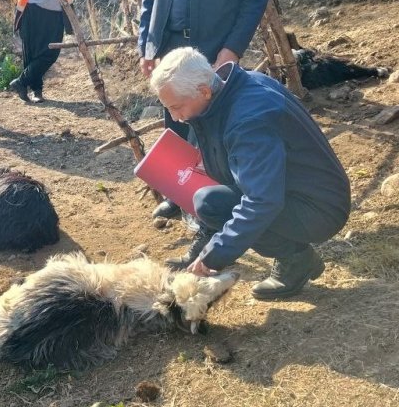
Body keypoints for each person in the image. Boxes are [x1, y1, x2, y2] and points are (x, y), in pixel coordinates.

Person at [149, 47, 351, 300]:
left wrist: (214, 255)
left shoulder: (248, 120)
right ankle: (296, 256)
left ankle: (295, 261)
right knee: (212, 200)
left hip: (319, 209)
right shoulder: (235, 87)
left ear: (204, 91)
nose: (175, 117)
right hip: (302, 189)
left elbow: (261, 201)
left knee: (213, 205)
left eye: (176, 107)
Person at [137, 0, 271, 219]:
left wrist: (232, 49)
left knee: (215, 124)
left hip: (214, 48)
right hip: (169, 49)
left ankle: (220, 201)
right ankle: (178, 196)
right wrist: (147, 46)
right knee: (176, 119)